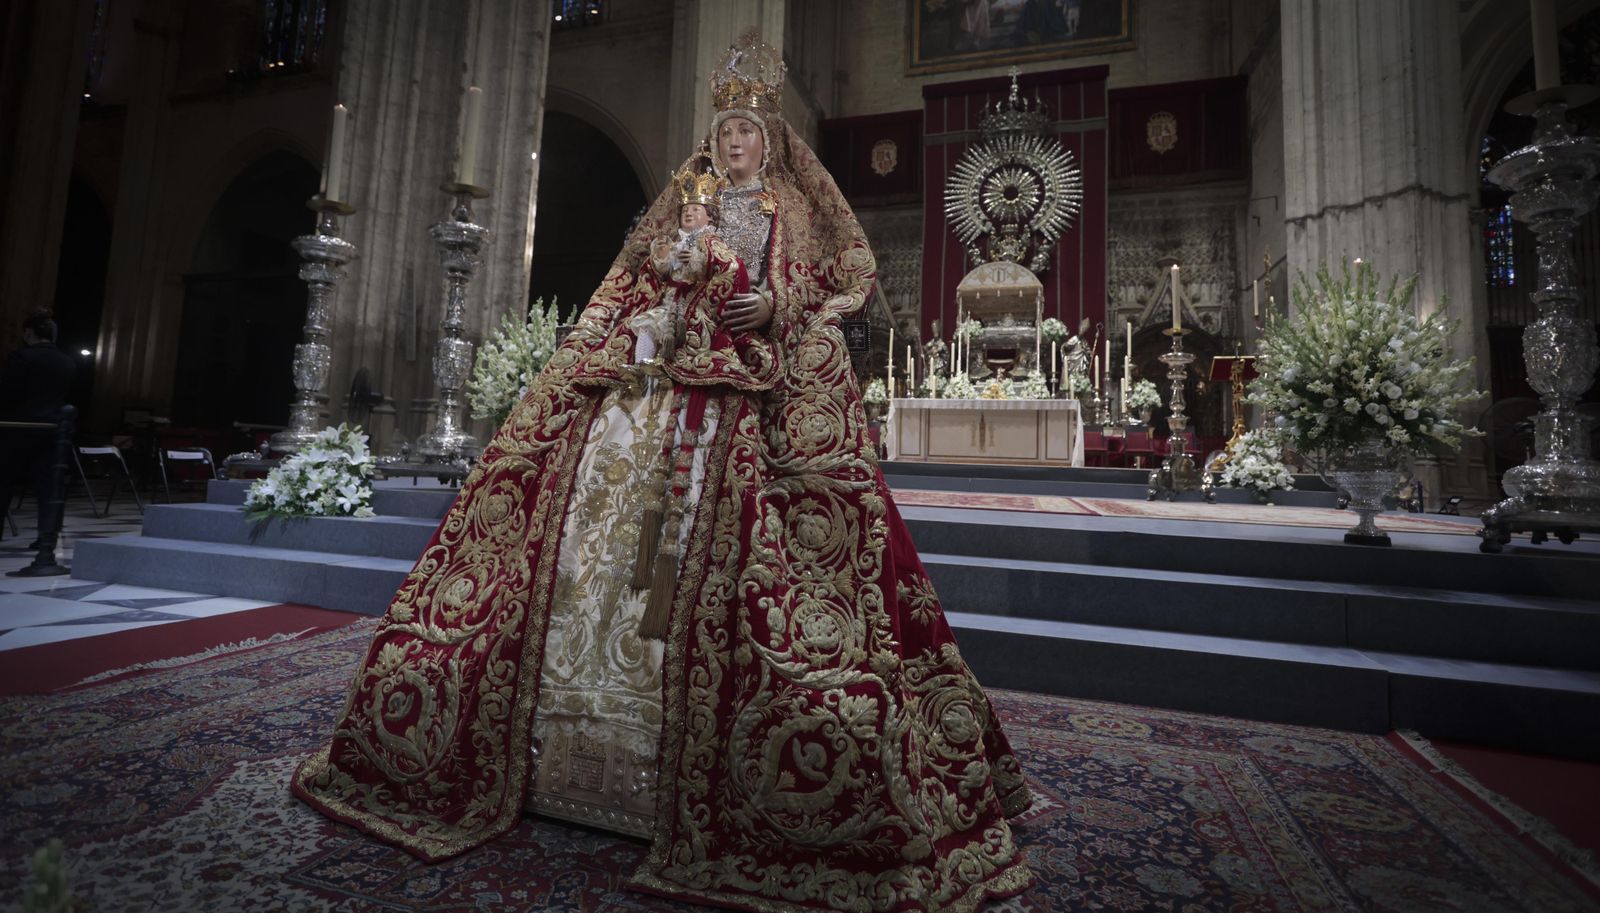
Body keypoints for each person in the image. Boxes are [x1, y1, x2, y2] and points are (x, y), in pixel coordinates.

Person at [294, 32, 1033, 913]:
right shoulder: (688, 201)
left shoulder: (792, 208)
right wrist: (668, 299)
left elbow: (829, 278)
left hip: (750, 386)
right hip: (667, 380)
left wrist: (777, 303)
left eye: (745, 132)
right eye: (723, 131)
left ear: (770, 139)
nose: (732, 143)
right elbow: (641, 278)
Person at [0, 312, 76, 547]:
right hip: (53, 429)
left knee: (3, 484)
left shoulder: (21, 357)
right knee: (49, 488)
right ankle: (47, 538)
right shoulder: (67, 362)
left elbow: (8, 393)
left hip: (17, 427)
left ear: (28, 332)